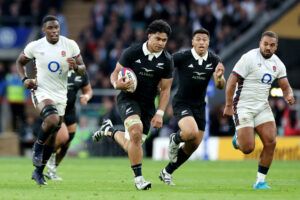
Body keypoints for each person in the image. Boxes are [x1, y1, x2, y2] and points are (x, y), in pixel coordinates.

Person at [92, 19, 173, 190]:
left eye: (164, 40)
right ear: (149, 36)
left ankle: (110, 130)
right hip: (128, 99)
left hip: (148, 105)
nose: (160, 43)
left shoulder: (167, 60)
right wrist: (116, 85)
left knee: (132, 144)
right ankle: (139, 180)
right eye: (157, 39)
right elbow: (114, 74)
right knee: (135, 133)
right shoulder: (132, 52)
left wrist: (159, 113)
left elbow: (165, 90)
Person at [16, 15, 86, 185]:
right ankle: (37, 146)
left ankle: (38, 171)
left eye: (56, 28)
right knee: (52, 119)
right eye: (51, 28)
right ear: (44, 30)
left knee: (54, 134)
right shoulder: (35, 46)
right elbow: (20, 62)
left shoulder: (70, 45)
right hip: (41, 90)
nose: (54, 31)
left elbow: (83, 70)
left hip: (61, 95)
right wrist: (25, 79)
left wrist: (76, 67)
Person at [223, 31, 295, 189]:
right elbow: (231, 81)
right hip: (243, 105)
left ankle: (260, 181)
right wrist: (228, 105)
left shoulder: (278, 64)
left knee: (271, 142)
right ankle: (239, 136)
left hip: (262, 106)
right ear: (260, 43)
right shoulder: (249, 58)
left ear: (276, 47)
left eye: (272, 45)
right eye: (266, 44)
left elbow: (285, 86)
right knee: (248, 148)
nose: (268, 47)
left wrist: (288, 94)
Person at [159, 28, 226, 185]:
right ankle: (175, 138)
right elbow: (165, 66)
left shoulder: (215, 59)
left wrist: (220, 77)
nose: (202, 42)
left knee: (194, 144)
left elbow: (220, 86)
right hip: (182, 102)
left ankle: (167, 172)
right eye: (199, 39)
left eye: (205, 40)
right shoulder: (183, 56)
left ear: (208, 43)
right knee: (190, 132)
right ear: (193, 42)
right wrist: (160, 84)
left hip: (199, 106)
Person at [45, 70, 93, 180]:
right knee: (63, 137)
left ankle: (52, 170)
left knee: (67, 142)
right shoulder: (56, 68)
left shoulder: (81, 72)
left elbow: (88, 90)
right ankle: (45, 155)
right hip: (56, 108)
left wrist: (86, 96)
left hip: (70, 110)